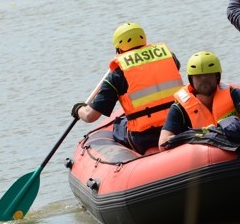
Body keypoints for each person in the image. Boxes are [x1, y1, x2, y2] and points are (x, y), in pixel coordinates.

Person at [71, 22, 183, 155]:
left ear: (118, 48)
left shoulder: (118, 74)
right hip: (177, 126)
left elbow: (91, 116)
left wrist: (78, 109)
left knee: (118, 125)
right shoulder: (169, 57)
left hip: (145, 137)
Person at [158, 51, 240, 149]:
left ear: (217, 77)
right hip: (201, 156)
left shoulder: (232, 93)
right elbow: (163, 141)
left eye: (208, 75)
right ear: (191, 79)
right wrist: (197, 135)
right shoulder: (179, 108)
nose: (204, 80)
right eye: (198, 76)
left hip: (237, 144)